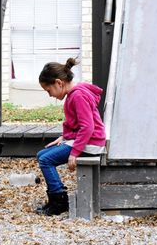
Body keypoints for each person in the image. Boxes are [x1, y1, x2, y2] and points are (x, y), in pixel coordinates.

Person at [36, 57, 106, 216]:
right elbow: (80, 125)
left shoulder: (77, 96)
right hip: (87, 139)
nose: (49, 95)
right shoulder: (75, 94)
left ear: (58, 83)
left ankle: (59, 201)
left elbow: (88, 127)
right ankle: (57, 197)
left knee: (45, 160)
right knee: (41, 155)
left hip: (91, 143)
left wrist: (74, 153)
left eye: (49, 90)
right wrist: (65, 137)